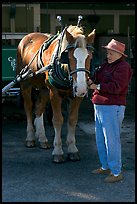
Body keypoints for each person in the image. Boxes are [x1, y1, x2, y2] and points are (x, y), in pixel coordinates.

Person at [87, 39, 133, 183]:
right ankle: (105, 166)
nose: (108, 55)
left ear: (120, 54)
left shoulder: (123, 67)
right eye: (108, 52)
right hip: (100, 106)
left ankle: (116, 172)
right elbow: (95, 78)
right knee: (101, 139)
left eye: (111, 53)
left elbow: (117, 87)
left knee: (111, 140)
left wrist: (96, 87)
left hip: (112, 107)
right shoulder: (105, 65)